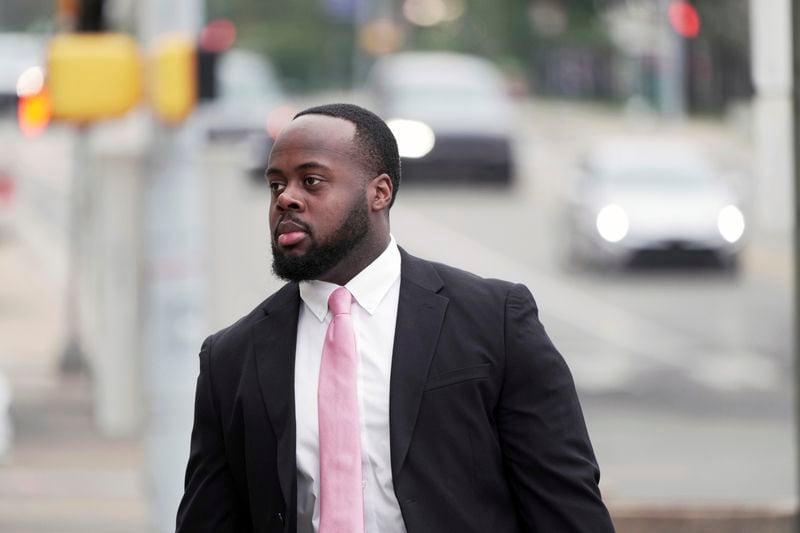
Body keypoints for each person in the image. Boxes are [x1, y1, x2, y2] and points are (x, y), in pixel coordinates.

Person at [176, 103, 615, 533]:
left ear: (379, 192)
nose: (286, 198)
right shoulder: (230, 358)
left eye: (311, 181)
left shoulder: (494, 321)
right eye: (276, 186)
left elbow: (565, 507)